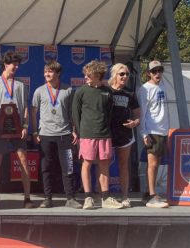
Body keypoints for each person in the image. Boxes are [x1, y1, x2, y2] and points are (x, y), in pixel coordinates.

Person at [0, 51, 35, 208]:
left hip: (18, 129)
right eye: (14, 64)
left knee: (23, 161)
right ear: (5, 64)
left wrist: (26, 126)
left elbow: (25, 107)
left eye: (18, 64)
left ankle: (27, 198)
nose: (16, 67)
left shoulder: (21, 85)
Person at [30, 60, 81, 209]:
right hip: (45, 135)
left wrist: (74, 130)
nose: (47, 74)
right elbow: (33, 112)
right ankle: (47, 198)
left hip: (64, 135)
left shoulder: (68, 90)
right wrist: (35, 131)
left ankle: (70, 198)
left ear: (58, 73)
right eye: (45, 71)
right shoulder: (39, 91)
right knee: (46, 168)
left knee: (68, 167)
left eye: (50, 71)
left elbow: (72, 112)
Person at [71, 60, 114, 210]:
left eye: (88, 75)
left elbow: (109, 114)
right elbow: (75, 114)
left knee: (104, 164)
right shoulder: (80, 91)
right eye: (85, 74)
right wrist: (79, 132)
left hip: (104, 134)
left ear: (97, 75)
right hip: (87, 134)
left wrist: (104, 128)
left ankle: (106, 197)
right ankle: (88, 197)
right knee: (87, 164)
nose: (85, 77)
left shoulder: (108, 92)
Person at [107, 63, 141, 208]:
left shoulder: (130, 93)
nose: (125, 76)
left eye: (127, 74)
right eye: (122, 74)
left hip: (125, 134)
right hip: (107, 133)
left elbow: (137, 114)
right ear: (114, 75)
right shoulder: (106, 91)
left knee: (123, 165)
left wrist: (135, 122)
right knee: (104, 165)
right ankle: (104, 196)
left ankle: (125, 197)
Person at [138, 60, 170, 209]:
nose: (158, 73)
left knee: (157, 164)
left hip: (162, 130)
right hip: (152, 130)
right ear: (148, 73)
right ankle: (151, 196)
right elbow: (142, 113)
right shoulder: (144, 89)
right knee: (152, 163)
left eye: (160, 70)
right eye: (154, 71)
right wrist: (144, 133)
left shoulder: (162, 85)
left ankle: (150, 193)